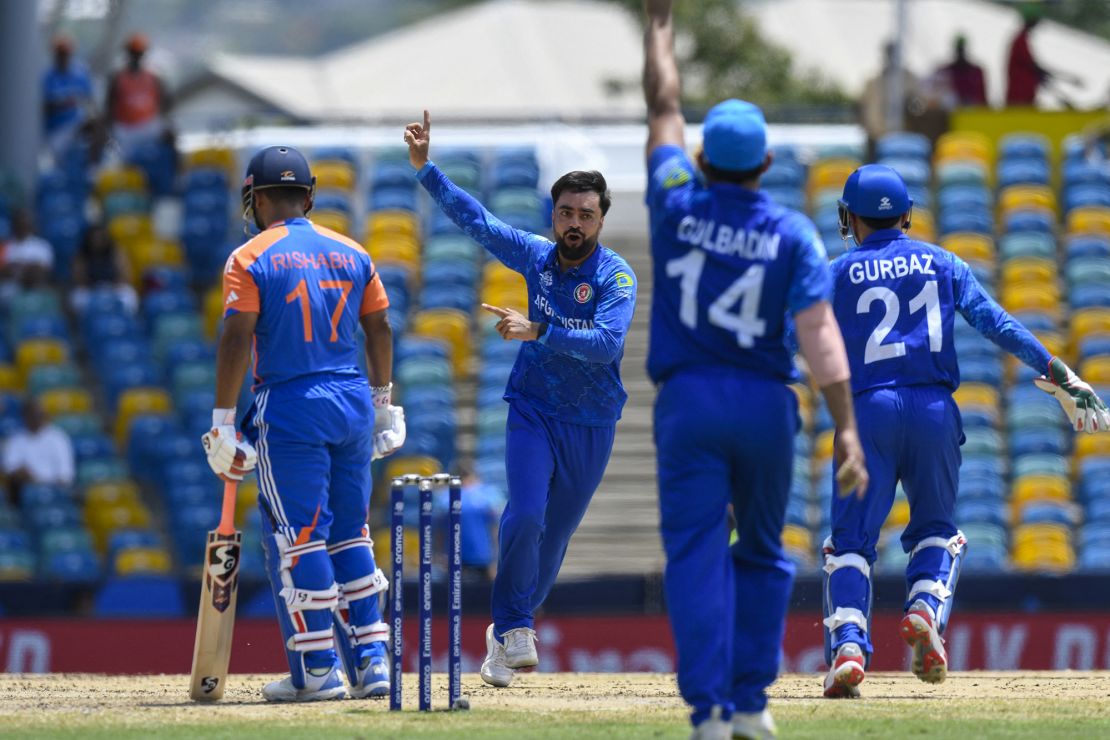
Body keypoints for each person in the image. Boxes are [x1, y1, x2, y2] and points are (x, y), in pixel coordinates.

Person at [641, 3, 868, 738]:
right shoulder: (793, 233)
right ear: (766, 165)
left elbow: (664, 102)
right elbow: (820, 336)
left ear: (703, 160)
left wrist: (660, 26)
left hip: (690, 402)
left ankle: (707, 711)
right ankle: (751, 703)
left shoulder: (675, 199)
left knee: (697, 554)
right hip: (771, 403)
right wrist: (849, 429)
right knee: (764, 553)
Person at [821, 164, 1110, 699]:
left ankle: (849, 650)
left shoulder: (835, 272)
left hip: (865, 412)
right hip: (934, 407)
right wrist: (1058, 371)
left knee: (851, 544)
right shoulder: (943, 261)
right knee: (937, 530)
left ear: (850, 219)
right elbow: (997, 323)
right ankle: (925, 610)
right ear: (907, 214)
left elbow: (796, 338)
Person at [404, 110, 637, 688]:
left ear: (602, 217)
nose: (574, 223)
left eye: (586, 214)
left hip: (592, 419)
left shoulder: (617, 276)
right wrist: (426, 169)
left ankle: (506, 633)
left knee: (554, 535)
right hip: (533, 407)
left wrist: (539, 331)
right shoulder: (537, 255)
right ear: (553, 215)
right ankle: (512, 624)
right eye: (566, 213)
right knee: (526, 513)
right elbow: (478, 223)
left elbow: (607, 346)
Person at [203, 145, 406, 702]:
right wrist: (384, 403)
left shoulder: (248, 256)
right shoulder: (353, 250)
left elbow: (236, 337)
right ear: (310, 197)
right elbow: (381, 327)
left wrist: (222, 421)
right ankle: (373, 663)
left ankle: (318, 670)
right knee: (352, 530)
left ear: (256, 198)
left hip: (291, 405)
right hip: (352, 401)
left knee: (300, 539)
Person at [105, 33, 171, 161]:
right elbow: (108, 108)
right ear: (128, 54)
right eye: (133, 53)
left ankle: (176, 176)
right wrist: (109, 133)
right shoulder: (117, 78)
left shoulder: (154, 77)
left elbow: (165, 103)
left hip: (148, 126)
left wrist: (163, 121)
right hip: (125, 128)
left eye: (139, 53)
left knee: (169, 136)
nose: (136, 57)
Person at [2, 397, 74, 505]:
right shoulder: (16, 440)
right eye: (31, 415)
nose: (35, 418)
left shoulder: (58, 438)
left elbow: (65, 475)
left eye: (38, 414)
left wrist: (42, 483)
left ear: (44, 415)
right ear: (24, 416)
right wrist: (25, 475)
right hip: (27, 490)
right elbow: (9, 467)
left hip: (55, 489)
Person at [42, 34, 94, 160]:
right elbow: (44, 107)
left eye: (65, 53)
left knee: (96, 125)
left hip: (76, 124)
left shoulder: (80, 74)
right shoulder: (47, 77)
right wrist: (64, 102)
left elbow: (90, 101)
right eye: (60, 53)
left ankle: (95, 166)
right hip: (56, 129)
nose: (63, 57)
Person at [70, 223, 138, 315]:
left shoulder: (116, 252)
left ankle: (127, 319)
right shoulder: (82, 254)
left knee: (129, 293)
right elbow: (79, 279)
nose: (97, 240)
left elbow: (125, 275)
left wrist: (112, 287)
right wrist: (95, 289)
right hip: (91, 289)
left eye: (100, 237)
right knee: (78, 296)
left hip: (113, 287)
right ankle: (84, 322)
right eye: (95, 237)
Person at [0, 209, 54, 302]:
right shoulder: (5, 246)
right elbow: (2, 272)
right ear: (14, 224)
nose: (22, 225)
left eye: (25, 221)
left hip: (35, 293)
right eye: (19, 222)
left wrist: (18, 268)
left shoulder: (41, 246)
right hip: (9, 294)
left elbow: (44, 272)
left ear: (30, 224)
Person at [934, 35, 988, 108]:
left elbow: (982, 98)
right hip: (952, 112)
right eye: (959, 49)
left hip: (973, 112)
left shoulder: (976, 72)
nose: (961, 52)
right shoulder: (945, 72)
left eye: (962, 49)